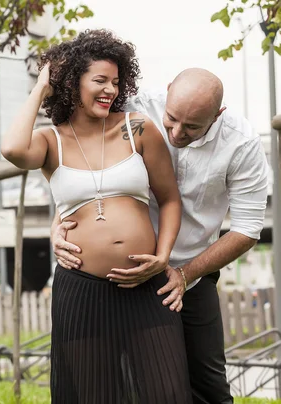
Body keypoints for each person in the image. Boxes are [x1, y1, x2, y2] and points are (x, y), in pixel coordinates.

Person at [52, 66, 270, 403]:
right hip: (115, 279)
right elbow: (84, 168)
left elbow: (247, 229)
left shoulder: (241, 143)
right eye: (172, 119)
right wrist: (59, 222)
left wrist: (183, 275)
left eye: (192, 126)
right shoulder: (132, 112)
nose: (177, 132)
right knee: (109, 386)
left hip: (191, 273)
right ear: (167, 91)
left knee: (207, 387)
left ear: (218, 114)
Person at [1, 29, 192, 404]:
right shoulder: (49, 141)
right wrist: (42, 86)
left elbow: (170, 199)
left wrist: (163, 257)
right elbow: (11, 149)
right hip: (81, 290)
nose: (110, 90)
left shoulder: (136, 127)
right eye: (99, 80)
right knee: (93, 394)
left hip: (144, 284)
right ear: (73, 82)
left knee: (167, 391)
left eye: (116, 82)